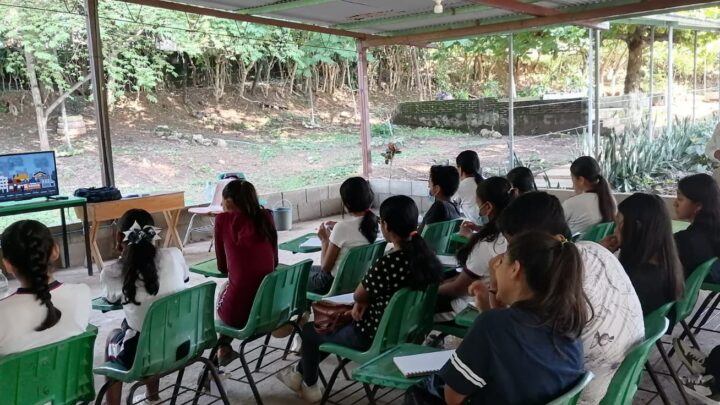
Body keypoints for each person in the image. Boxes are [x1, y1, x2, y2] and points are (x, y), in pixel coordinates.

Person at [477, 192, 644, 404]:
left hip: (580, 396)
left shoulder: (550, 276)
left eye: (513, 246)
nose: (510, 253)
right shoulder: (595, 249)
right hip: (621, 382)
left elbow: (502, 340)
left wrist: (494, 284)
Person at [277, 195, 442, 402]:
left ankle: (309, 386)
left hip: (370, 336)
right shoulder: (426, 258)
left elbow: (358, 294)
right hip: (403, 333)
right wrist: (365, 301)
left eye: (381, 221)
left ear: (387, 227)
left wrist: (363, 301)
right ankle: (297, 375)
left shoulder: (389, 263)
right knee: (329, 330)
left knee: (312, 331)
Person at [427, 231, 588, 405]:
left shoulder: (493, 325)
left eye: (501, 262)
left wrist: (490, 308)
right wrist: (490, 301)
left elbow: (453, 397)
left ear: (515, 269)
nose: (495, 270)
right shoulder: (569, 323)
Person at [100, 209, 189, 405]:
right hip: (183, 342)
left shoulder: (113, 272)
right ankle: (153, 398)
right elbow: (185, 279)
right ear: (153, 233)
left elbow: (110, 299)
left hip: (142, 356)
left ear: (119, 237)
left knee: (115, 335)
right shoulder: (174, 254)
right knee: (146, 324)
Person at [0, 220, 90, 356]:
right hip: (70, 378)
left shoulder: (3, 313)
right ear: (55, 251)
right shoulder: (82, 293)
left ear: (7, 265)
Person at [214, 179, 278, 365]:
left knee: (225, 289)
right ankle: (224, 347)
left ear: (229, 201)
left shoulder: (223, 220)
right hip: (270, 307)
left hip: (240, 314)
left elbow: (222, 267)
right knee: (236, 287)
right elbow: (275, 260)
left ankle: (223, 346)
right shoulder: (266, 216)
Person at [435, 177, 513, 322]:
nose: (477, 208)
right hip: (505, 303)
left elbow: (457, 289)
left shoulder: (486, 243)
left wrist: (428, 291)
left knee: (415, 307)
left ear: (488, 207)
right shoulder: (511, 234)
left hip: (472, 304)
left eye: (478, 203)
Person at [600, 193, 684, 316]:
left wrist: (600, 255)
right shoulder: (666, 262)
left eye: (619, 225)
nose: (615, 231)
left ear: (636, 228)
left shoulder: (639, 278)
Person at [310, 177, 378, 295]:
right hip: (357, 280)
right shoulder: (373, 224)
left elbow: (325, 268)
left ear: (347, 203)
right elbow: (355, 230)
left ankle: (307, 308)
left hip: (333, 284)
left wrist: (325, 240)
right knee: (307, 270)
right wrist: (337, 226)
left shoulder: (341, 229)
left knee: (299, 277)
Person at [673, 173, 720, 281]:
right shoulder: (713, 231)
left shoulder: (686, 241)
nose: (675, 203)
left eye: (680, 199)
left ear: (698, 206)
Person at [563, 156, 616, 235]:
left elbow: (552, 228)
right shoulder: (610, 201)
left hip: (576, 246)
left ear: (581, 180)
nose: (572, 185)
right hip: (600, 246)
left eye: (573, 179)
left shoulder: (572, 203)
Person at [419, 165, 462, 234]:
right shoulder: (455, 208)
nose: (428, 186)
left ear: (437, 189)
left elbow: (421, 234)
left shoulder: (439, 207)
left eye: (430, 183)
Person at [453, 150, 484, 223]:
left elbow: (449, 202)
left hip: (481, 224)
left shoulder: (460, 186)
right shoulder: (483, 181)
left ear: (460, 169)